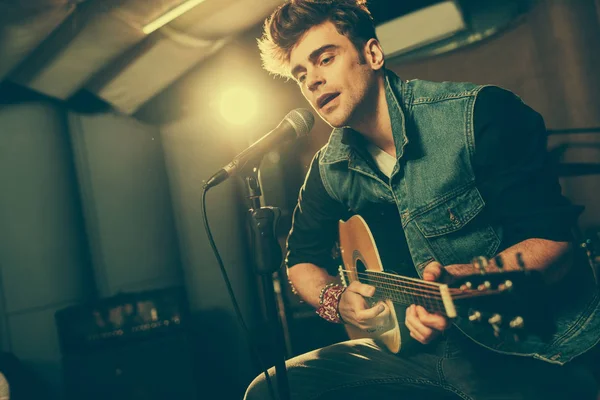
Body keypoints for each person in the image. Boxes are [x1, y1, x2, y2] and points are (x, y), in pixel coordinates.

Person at [245, 0, 600, 399]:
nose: (312, 81)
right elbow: (300, 260)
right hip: (428, 351)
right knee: (270, 390)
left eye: (324, 59)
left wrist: (461, 282)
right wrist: (337, 299)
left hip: (543, 347)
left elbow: (554, 245)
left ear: (372, 53)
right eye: (301, 74)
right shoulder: (330, 167)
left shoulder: (480, 115)